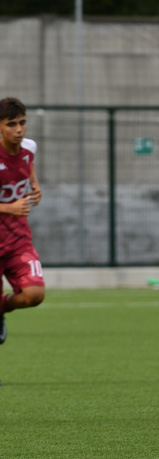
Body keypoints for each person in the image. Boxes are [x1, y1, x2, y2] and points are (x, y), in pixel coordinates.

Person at [0, 97, 45, 355]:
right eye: (11, 124)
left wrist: (35, 184)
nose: (19, 129)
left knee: (34, 295)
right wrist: (9, 208)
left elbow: (28, 165)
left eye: (22, 123)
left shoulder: (29, 147)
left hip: (18, 240)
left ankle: (2, 307)